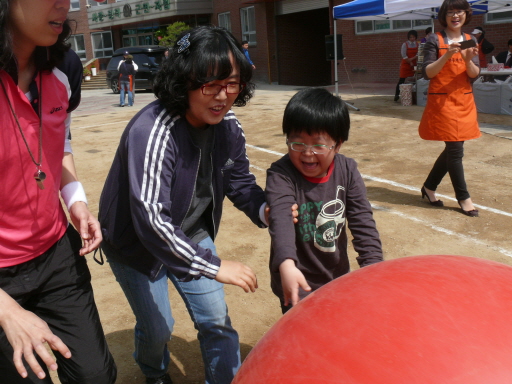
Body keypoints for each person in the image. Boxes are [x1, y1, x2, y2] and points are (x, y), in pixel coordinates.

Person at [99, 26, 267, 384]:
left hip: (191, 232)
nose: (223, 97)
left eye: (232, 84)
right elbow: (152, 222)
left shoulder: (228, 125)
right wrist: (214, 266)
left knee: (216, 322)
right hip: (137, 245)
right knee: (159, 329)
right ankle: (154, 372)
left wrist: (266, 210)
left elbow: (240, 181)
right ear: (183, 81)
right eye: (211, 85)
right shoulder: (154, 131)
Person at [0, 1, 117, 383]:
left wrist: (76, 202)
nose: (62, 4)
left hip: (55, 254)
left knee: (96, 375)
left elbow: (57, 144)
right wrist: (8, 312)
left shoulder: (64, 68)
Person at [265, 88, 384, 314]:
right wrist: (286, 265)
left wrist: (374, 269)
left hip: (336, 277)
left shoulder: (347, 170)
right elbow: (280, 217)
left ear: (337, 144)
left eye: (319, 145)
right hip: (295, 279)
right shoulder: (281, 174)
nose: (307, 153)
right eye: (297, 143)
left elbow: (362, 221)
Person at [418, 0, 480, 217]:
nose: (455, 16)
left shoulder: (470, 40)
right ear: (444, 16)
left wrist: (467, 59)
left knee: (452, 150)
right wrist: (446, 55)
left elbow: (473, 74)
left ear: (466, 14)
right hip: (442, 103)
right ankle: (464, 197)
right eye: (451, 12)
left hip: (464, 101)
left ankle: (429, 187)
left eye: (459, 12)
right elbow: (427, 73)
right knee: (455, 150)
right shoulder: (435, 39)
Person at [394, 30, 418, 102]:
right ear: (408, 37)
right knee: (402, 80)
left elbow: (418, 54)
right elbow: (404, 55)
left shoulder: (417, 44)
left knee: (414, 80)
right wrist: (409, 62)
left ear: (415, 37)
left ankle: (412, 96)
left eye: (413, 37)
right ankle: (397, 95)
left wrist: (412, 60)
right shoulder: (405, 44)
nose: (412, 38)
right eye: (410, 37)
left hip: (414, 64)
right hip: (405, 64)